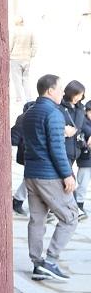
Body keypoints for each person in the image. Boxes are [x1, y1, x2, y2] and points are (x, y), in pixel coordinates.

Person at [21, 73, 80, 282]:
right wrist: (67, 175)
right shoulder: (54, 114)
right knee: (71, 216)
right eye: (59, 88)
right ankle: (51, 260)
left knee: (37, 220)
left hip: (31, 174)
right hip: (49, 175)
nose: (61, 92)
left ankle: (37, 264)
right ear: (49, 90)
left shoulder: (29, 113)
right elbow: (56, 149)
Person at [59, 81, 91, 221]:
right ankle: (75, 209)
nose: (79, 97)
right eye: (78, 94)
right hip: (62, 149)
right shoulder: (60, 107)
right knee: (69, 179)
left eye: (81, 95)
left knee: (63, 181)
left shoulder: (80, 108)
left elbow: (83, 126)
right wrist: (63, 130)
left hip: (75, 150)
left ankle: (54, 209)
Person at [9, 16, 39, 106]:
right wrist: (31, 54)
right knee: (26, 78)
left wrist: (8, 54)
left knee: (17, 78)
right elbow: (35, 44)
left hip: (15, 57)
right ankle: (28, 97)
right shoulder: (29, 31)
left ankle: (19, 97)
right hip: (26, 58)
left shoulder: (14, 31)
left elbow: (10, 44)